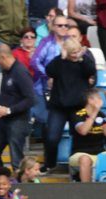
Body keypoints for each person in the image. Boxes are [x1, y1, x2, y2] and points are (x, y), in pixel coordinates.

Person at [42, 36, 95, 172]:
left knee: (80, 138)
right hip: (59, 107)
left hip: (78, 106)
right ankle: (50, 164)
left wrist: (82, 57)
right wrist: (61, 57)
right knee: (52, 137)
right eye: (72, 52)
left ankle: (76, 168)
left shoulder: (84, 61)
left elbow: (91, 70)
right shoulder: (60, 62)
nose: (75, 55)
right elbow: (49, 71)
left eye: (77, 51)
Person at [0, 45, 34, 170]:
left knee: (16, 159)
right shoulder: (6, 72)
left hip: (18, 120)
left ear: (3, 57)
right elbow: (9, 94)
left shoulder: (20, 72)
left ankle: (19, 185)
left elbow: (30, 99)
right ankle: (3, 179)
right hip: (4, 120)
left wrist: (8, 110)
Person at [69, 90, 106, 183]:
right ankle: (88, 191)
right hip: (80, 153)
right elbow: (83, 131)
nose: (101, 101)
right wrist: (94, 112)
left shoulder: (101, 115)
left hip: (100, 152)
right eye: (98, 98)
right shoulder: (78, 114)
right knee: (85, 160)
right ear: (90, 100)